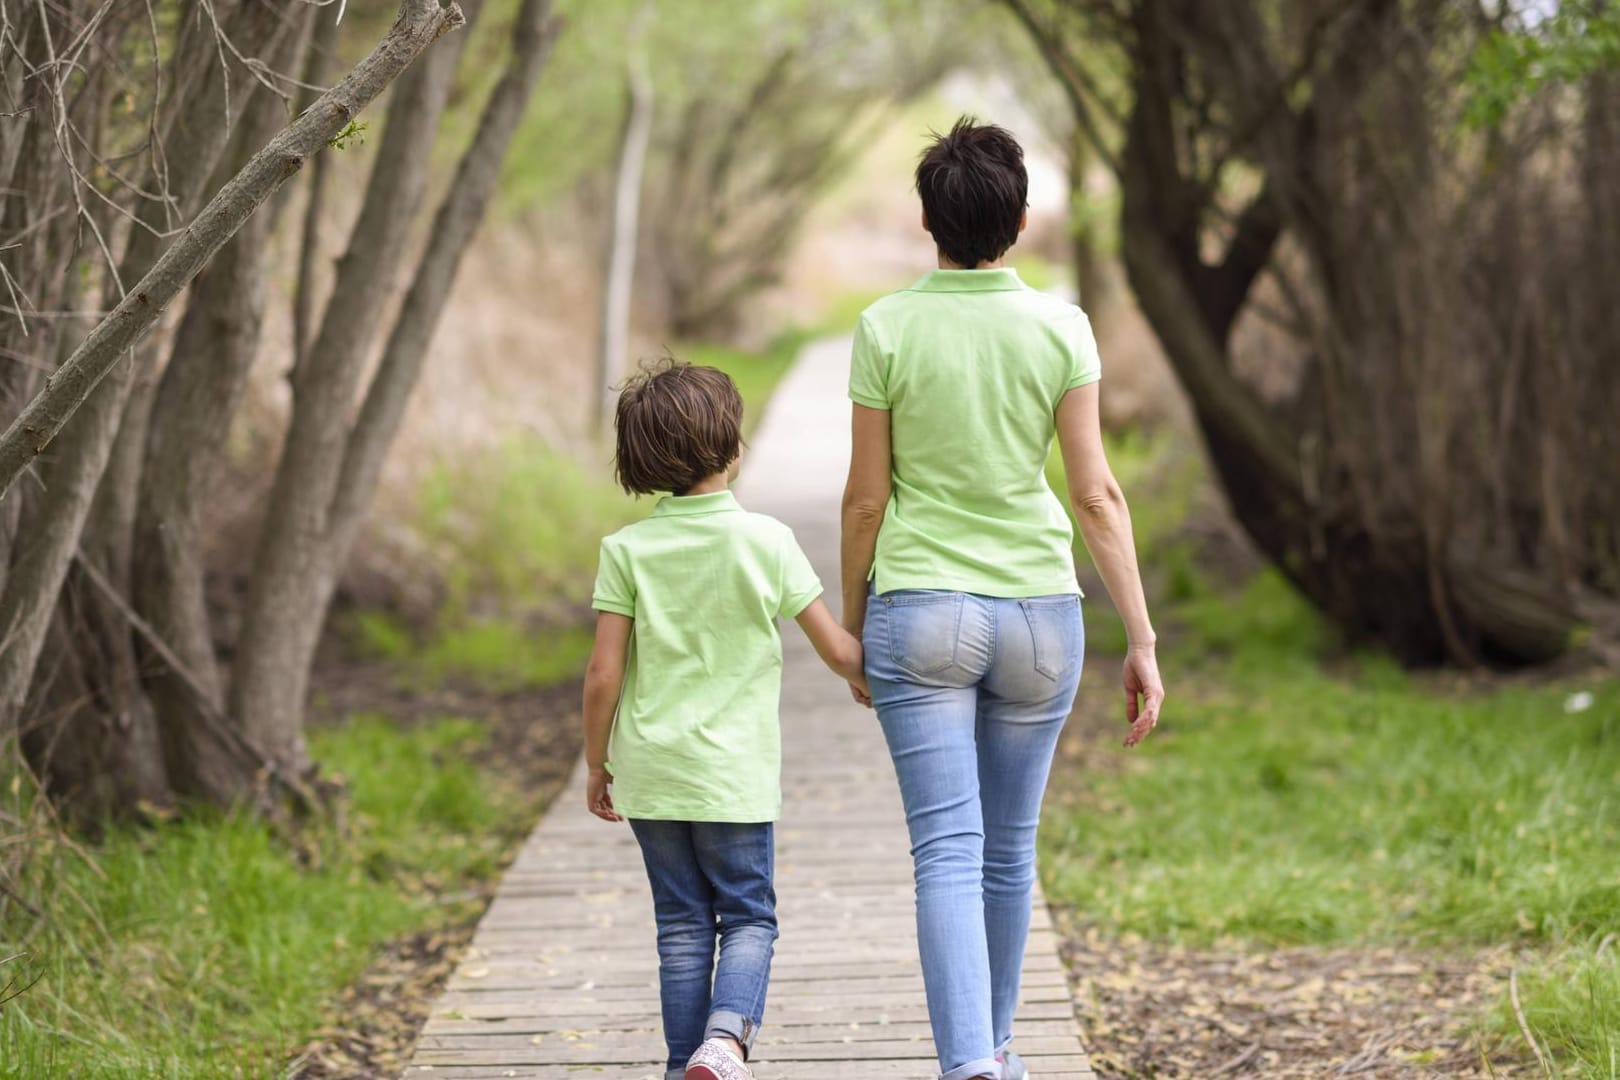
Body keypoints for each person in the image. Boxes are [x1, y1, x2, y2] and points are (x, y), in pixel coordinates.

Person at [839, 117, 1166, 1080]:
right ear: (1019, 220)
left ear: (926, 219)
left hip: (921, 611)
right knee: (1007, 853)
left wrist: (858, 625)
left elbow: (866, 497)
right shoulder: (1061, 325)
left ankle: (971, 1067)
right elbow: (1096, 494)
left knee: (946, 851)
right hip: (1039, 618)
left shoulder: (887, 326)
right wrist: (1140, 638)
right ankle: (1001, 1052)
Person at [583, 360, 868, 1080]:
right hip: (731, 774)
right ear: (733, 450)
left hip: (650, 769)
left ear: (640, 462)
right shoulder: (766, 542)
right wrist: (881, 679)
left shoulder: (627, 551)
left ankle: (687, 1067)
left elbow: (603, 675)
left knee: (681, 925)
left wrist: (597, 762)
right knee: (748, 917)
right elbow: (837, 649)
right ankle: (726, 1042)